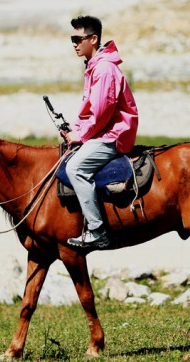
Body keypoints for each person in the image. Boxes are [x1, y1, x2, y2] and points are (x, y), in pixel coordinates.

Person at [63, 15, 139, 250]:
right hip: (101, 132)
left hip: (113, 135)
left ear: (93, 39)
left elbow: (101, 113)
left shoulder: (104, 69)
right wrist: (75, 130)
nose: (74, 44)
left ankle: (97, 231)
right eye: (71, 39)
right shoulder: (94, 66)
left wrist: (80, 136)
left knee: (75, 168)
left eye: (78, 39)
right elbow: (89, 109)